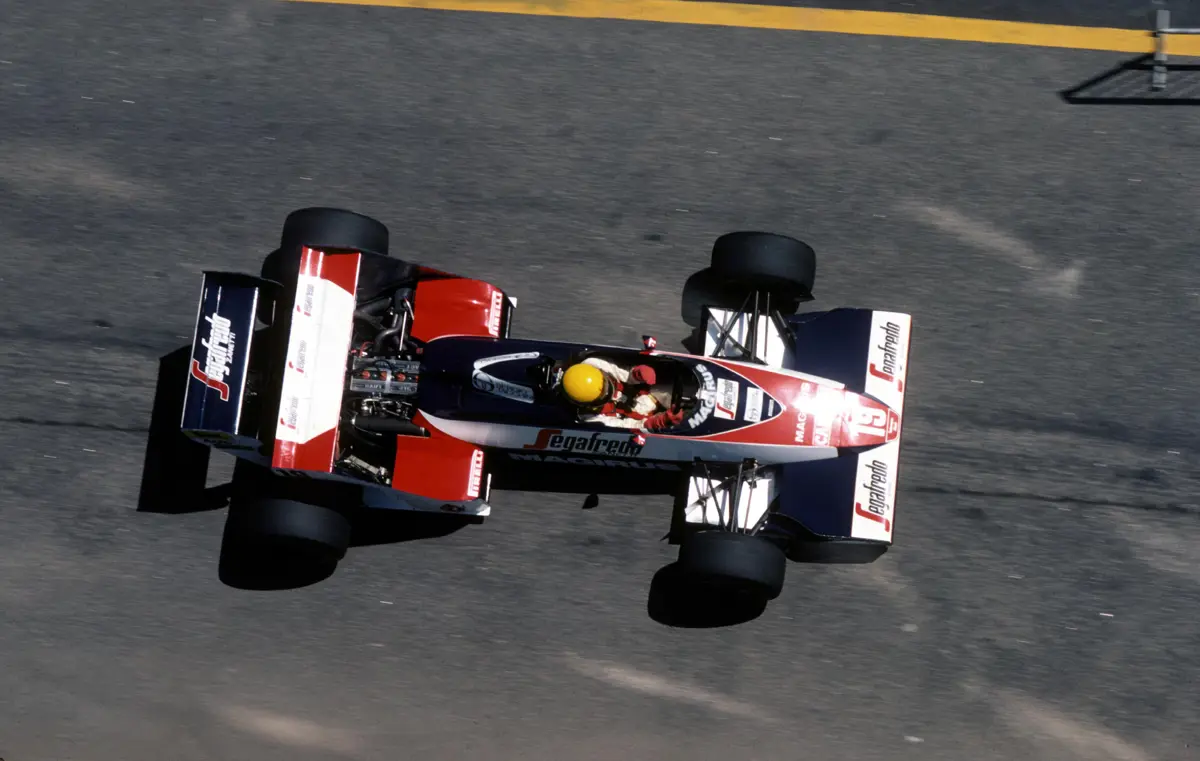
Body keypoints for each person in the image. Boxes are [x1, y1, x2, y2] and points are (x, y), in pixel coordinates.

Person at [559, 357, 684, 431]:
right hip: (633, 414)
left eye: (605, 385)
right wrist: (656, 423)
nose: (608, 393)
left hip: (638, 391)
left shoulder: (592, 363)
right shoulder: (590, 418)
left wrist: (637, 374)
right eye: (602, 396)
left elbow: (622, 372)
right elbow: (624, 425)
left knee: (667, 388)